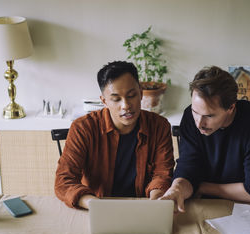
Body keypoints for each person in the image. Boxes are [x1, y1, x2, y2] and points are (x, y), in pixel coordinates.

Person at [55, 61, 174, 209]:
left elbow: (162, 173)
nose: (126, 105)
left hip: (143, 206)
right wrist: (94, 204)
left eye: (131, 95)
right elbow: (64, 181)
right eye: (116, 99)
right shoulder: (83, 128)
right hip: (98, 206)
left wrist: (156, 201)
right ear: (104, 101)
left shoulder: (159, 126)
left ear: (141, 93)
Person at [160, 66, 250, 212]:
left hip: (243, 207)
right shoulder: (190, 118)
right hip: (199, 203)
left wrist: (201, 187)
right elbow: (188, 167)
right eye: (195, 112)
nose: (199, 123)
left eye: (209, 116)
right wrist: (177, 188)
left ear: (231, 108)